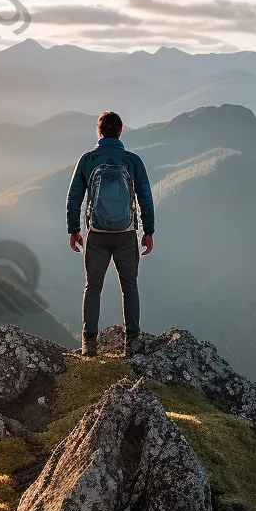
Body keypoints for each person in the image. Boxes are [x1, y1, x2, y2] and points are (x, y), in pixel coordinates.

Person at [66, 111, 155, 357]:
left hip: (96, 234)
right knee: (130, 287)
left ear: (99, 131)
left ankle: (89, 345)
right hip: (126, 235)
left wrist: (73, 230)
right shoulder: (132, 161)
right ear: (120, 132)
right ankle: (132, 345)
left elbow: (74, 197)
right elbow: (145, 198)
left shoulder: (88, 160)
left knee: (93, 288)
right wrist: (148, 231)